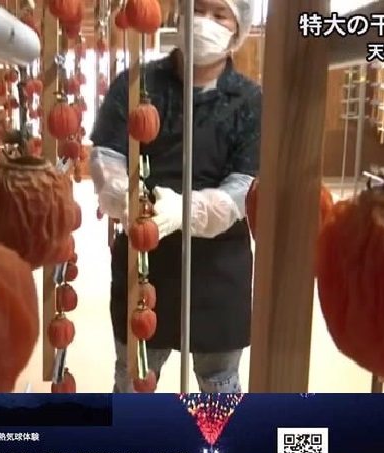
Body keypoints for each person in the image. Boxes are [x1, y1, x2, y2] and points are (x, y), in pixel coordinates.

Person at [90, 0, 261, 392]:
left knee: (219, 383)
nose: (205, 22)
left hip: (218, 268)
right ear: (180, 13)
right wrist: (124, 194)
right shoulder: (135, 85)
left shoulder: (250, 100)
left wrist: (187, 210)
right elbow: (106, 156)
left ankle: (218, 436)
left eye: (220, 15)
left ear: (237, 29)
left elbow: (244, 186)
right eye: (198, 8)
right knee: (134, 377)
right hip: (144, 261)